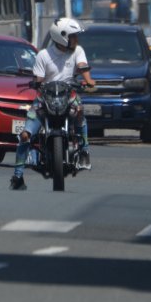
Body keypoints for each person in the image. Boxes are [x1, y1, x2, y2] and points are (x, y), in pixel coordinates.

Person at [11, 18, 96, 191]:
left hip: (69, 94)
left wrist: (89, 81)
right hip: (44, 98)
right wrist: (36, 82)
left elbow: (82, 66)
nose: (76, 40)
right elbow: (39, 78)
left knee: (79, 111)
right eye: (73, 36)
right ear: (62, 37)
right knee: (26, 135)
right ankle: (17, 176)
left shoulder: (77, 51)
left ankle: (84, 150)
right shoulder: (43, 55)